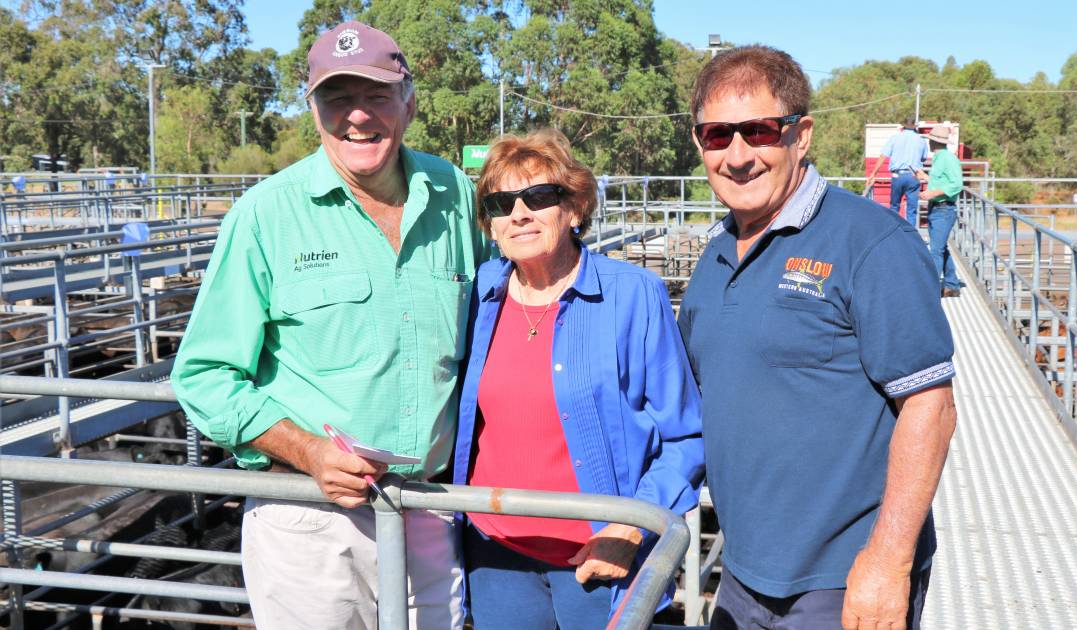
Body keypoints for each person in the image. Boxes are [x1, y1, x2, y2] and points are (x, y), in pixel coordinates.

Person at [171, 20, 488, 630]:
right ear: (313, 109)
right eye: (338, 98)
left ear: (410, 101)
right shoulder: (266, 215)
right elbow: (205, 374)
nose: (359, 117)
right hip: (310, 519)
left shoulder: (452, 193)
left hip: (430, 505)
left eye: (376, 95)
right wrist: (309, 451)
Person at [679, 45, 958, 630]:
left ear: (799, 136)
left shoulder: (871, 243)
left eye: (758, 131)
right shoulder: (712, 258)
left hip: (842, 578)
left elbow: (929, 408)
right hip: (744, 571)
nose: (737, 156)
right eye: (716, 135)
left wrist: (887, 561)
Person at [453, 129, 704, 629]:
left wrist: (630, 530)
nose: (519, 213)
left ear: (573, 208)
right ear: (490, 225)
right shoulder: (480, 294)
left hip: (600, 557)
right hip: (495, 555)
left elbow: (684, 436)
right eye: (501, 203)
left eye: (539, 196)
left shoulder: (634, 295)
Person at [917, 125, 964, 298]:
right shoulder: (941, 157)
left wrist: (931, 193)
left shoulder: (947, 159)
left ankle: (931, 289)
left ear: (933, 141)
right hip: (938, 208)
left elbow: (956, 184)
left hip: (943, 209)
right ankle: (951, 285)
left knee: (935, 250)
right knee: (940, 248)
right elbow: (943, 181)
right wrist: (926, 178)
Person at [865, 116, 929, 227]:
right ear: (915, 128)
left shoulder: (894, 138)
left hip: (897, 176)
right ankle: (910, 236)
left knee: (894, 206)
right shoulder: (921, 140)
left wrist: (873, 173)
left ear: (903, 127)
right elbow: (923, 158)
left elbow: (883, 156)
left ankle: (894, 232)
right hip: (914, 176)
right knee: (911, 209)